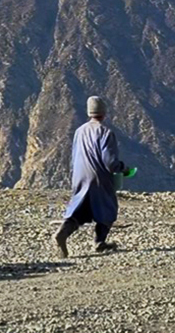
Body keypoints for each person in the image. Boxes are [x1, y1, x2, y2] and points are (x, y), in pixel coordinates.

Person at [54, 95, 127, 258]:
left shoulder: (79, 131)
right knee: (108, 208)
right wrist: (121, 168)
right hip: (99, 177)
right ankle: (99, 242)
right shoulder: (106, 132)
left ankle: (63, 233)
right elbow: (109, 162)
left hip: (80, 175)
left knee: (80, 210)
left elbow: (74, 156)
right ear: (104, 112)